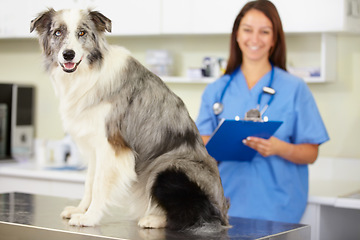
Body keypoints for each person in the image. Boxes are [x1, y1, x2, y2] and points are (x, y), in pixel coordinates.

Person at [196, 0, 329, 223]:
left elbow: (311, 152)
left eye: (264, 32)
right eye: (247, 30)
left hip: (279, 208)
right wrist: (219, 142)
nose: (255, 39)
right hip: (225, 205)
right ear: (237, 34)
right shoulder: (217, 90)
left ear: (274, 38)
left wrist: (279, 147)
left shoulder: (295, 88)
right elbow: (199, 144)